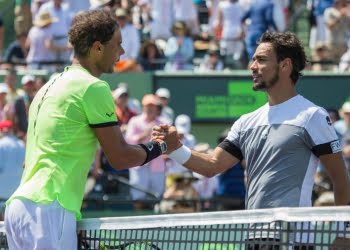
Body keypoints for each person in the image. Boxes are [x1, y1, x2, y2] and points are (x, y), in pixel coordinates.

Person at [153, 31, 350, 249]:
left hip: (294, 239)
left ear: (285, 65)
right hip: (254, 238)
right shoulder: (246, 122)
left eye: (262, 60)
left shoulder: (312, 116)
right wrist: (175, 148)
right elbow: (212, 166)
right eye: (253, 59)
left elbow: (341, 178)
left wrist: (345, 234)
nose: (252, 66)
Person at [4, 10, 176, 250]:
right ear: (98, 47)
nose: (122, 53)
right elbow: (120, 156)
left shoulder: (47, 88)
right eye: (118, 45)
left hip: (18, 210)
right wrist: (162, 146)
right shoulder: (93, 87)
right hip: (50, 209)